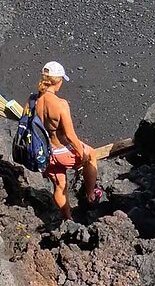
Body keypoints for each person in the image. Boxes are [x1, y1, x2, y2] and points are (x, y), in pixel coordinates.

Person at [33, 62, 100, 221]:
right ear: (58, 80)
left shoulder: (33, 101)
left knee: (60, 184)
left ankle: (67, 219)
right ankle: (90, 195)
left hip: (46, 153)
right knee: (91, 154)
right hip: (62, 151)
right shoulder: (60, 104)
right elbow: (70, 136)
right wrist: (82, 153)